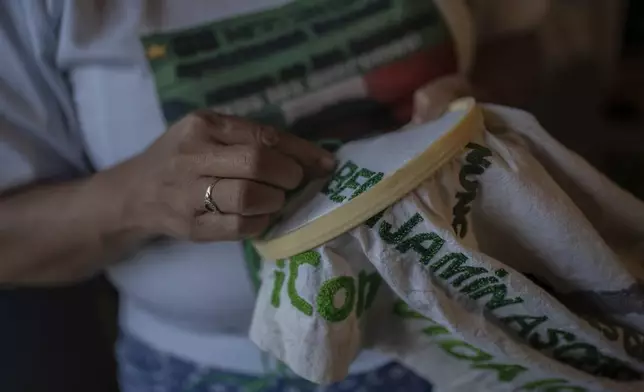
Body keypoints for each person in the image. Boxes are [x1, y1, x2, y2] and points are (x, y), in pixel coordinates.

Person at [0, 1, 548, 391]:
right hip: (211, 372)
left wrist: (478, 107)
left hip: (475, 333)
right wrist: (135, 197)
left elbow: (516, 40)